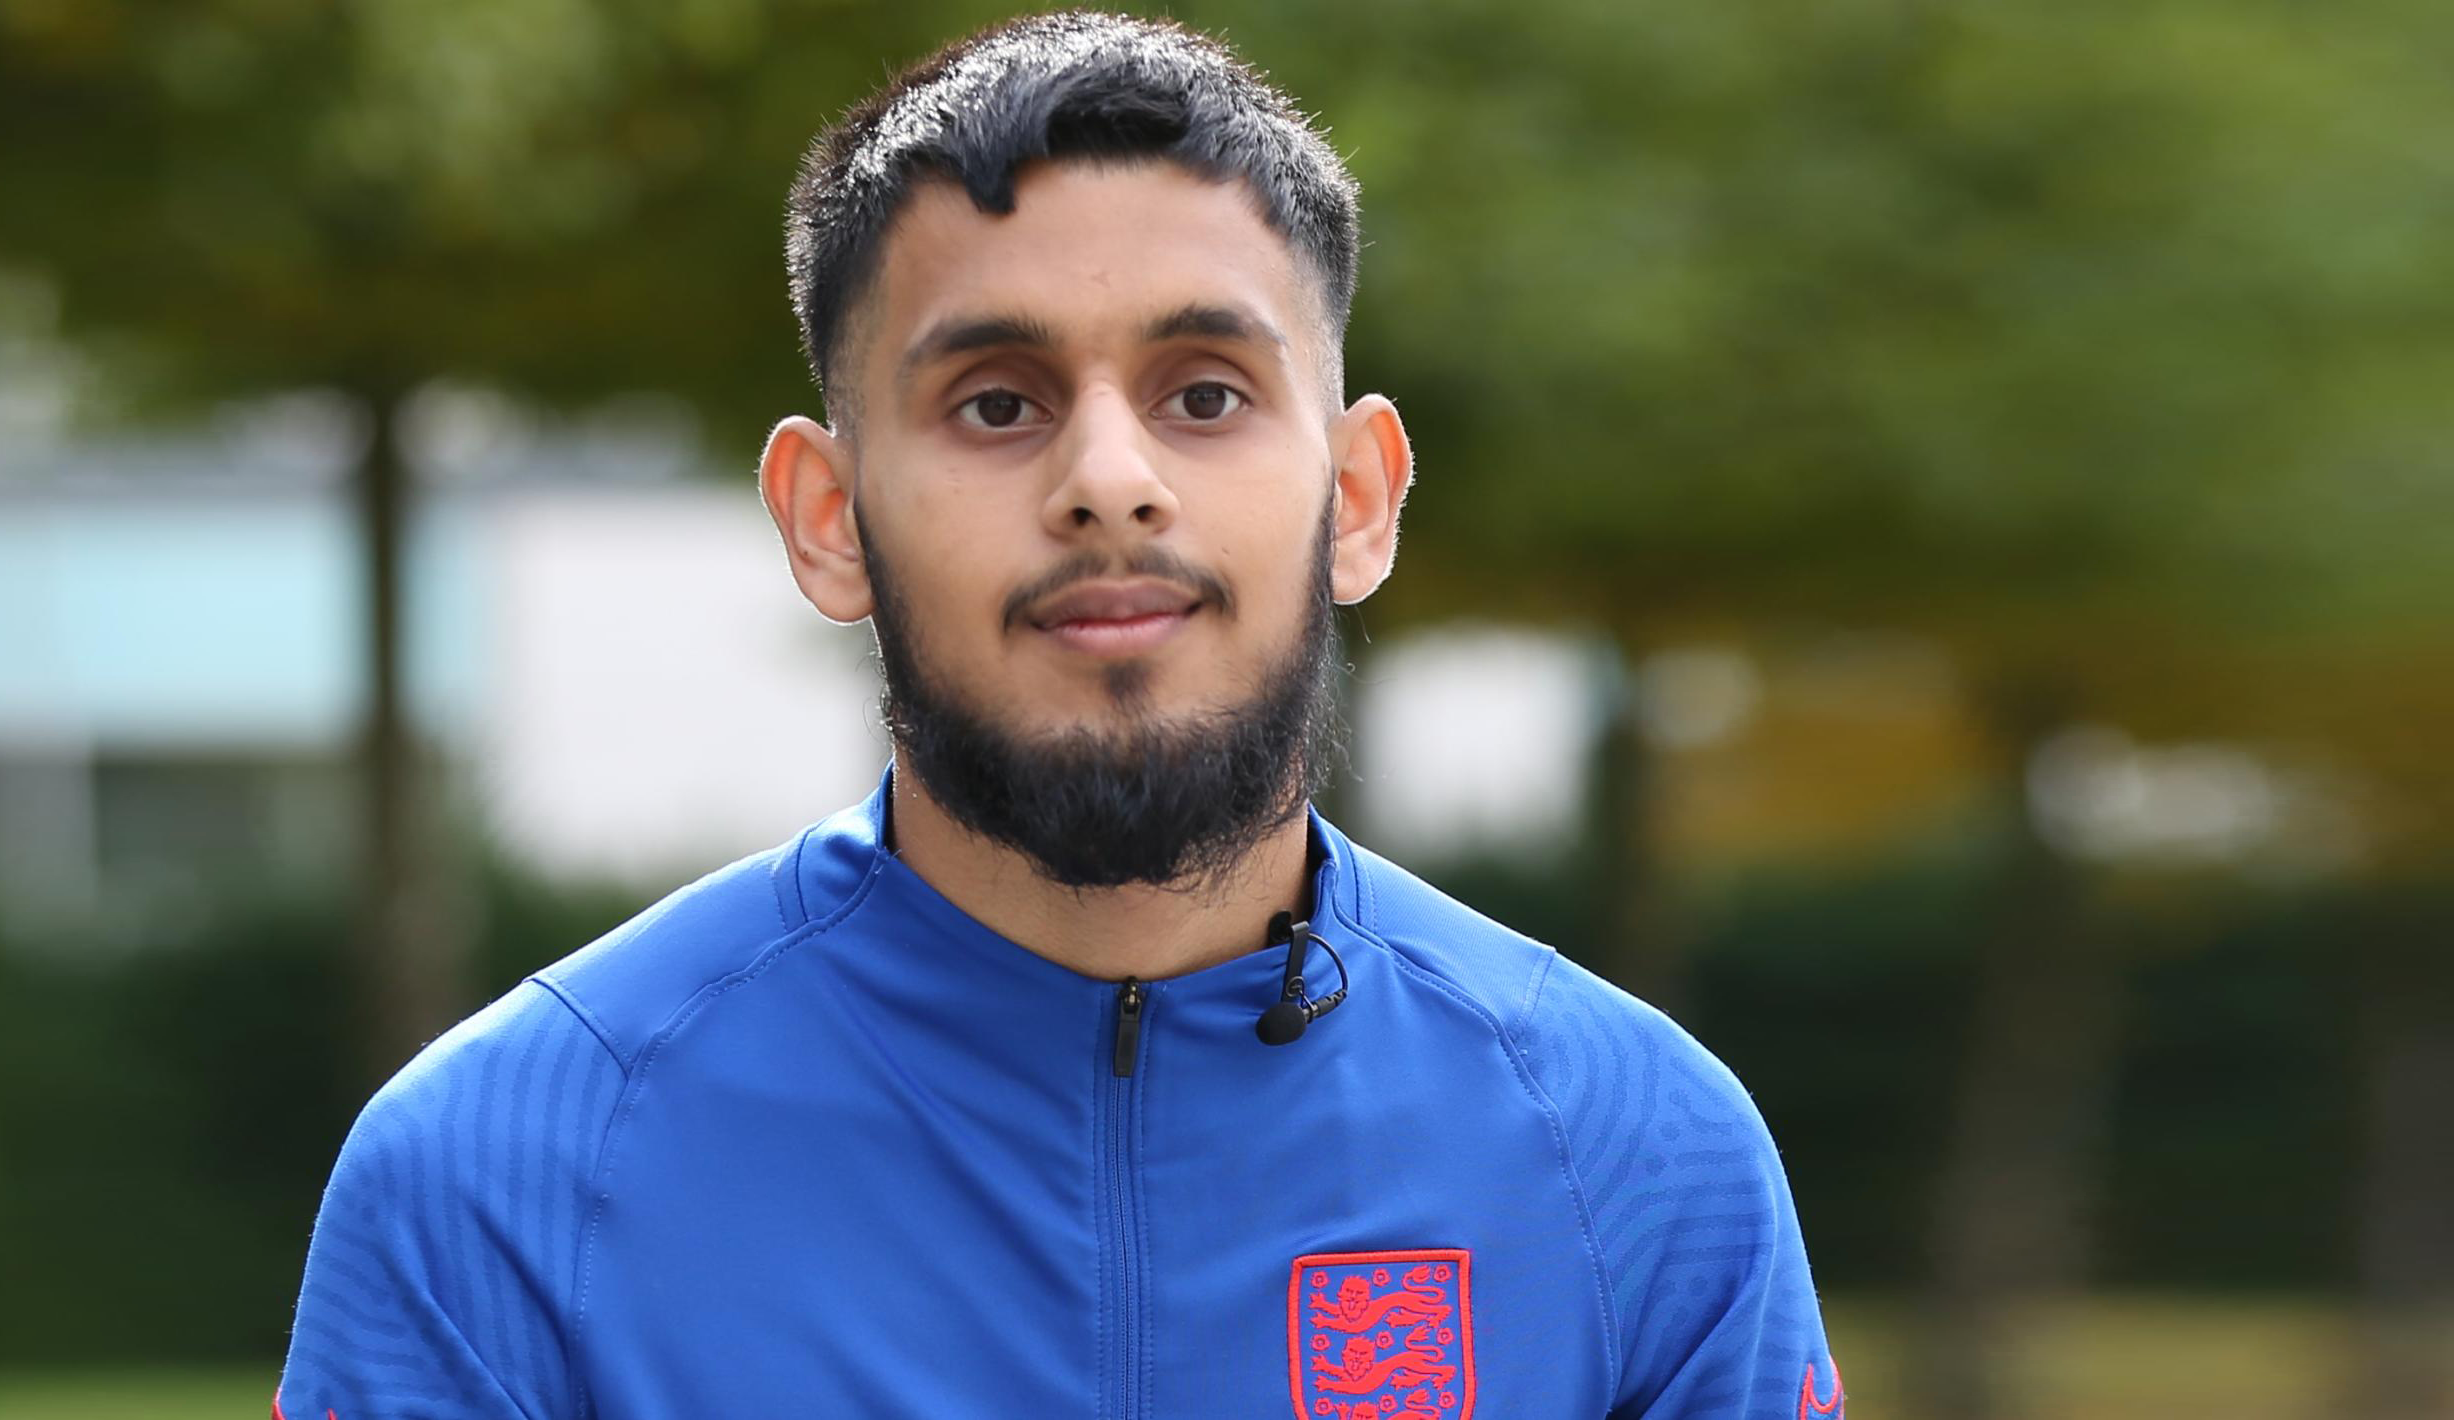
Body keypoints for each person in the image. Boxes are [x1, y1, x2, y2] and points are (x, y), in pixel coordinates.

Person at [274, 12, 1843, 1418]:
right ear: (827, 518)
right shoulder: (503, 1171)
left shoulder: (1638, 1154)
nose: (1108, 478)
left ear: (1357, 498)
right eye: (996, 403)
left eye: (1205, 392)